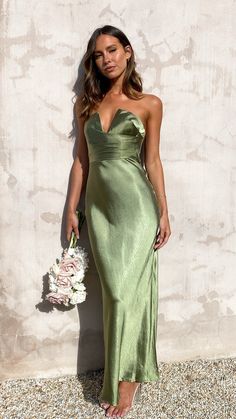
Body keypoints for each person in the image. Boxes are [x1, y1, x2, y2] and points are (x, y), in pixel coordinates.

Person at [66, 25, 171, 418]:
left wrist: (163, 209)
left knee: (128, 295)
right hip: (99, 210)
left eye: (112, 50)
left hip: (137, 209)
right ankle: (126, 370)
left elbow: (153, 161)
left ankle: (126, 382)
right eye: (98, 54)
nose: (106, 59)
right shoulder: (87, 104)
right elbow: (81, 162)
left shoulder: (150, 104)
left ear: (127, 53)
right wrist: (71, 210)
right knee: (113, 294)